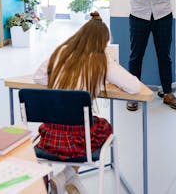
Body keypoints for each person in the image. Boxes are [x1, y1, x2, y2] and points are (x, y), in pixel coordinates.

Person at [33, 11, 141, 194]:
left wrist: (62, 82)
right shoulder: (101, 61)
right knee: (103, 126)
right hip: (79, 142)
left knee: (82, 125)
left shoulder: (60, 52)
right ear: (102, 42)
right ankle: (68, 177)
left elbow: (38, 77)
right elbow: (134, 87)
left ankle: (63, 180)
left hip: (50, 137)